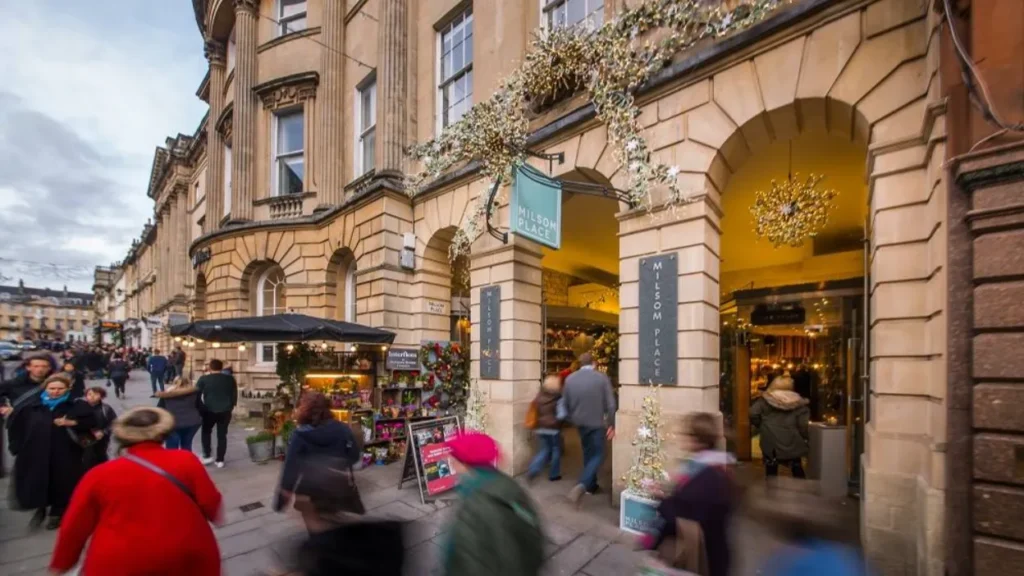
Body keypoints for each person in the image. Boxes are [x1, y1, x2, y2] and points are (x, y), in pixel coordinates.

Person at [48, 407, 224, 575]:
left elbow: (74, 525)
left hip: (121, 559)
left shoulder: (98, 475)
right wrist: (215, 516)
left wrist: (63, 562)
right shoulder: (185, 460)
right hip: (185, 551)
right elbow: (210, 502)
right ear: (162, 433)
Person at [640, 412, 736, 576]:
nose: (681, 438)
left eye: (685, 434)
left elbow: (679, 511)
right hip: (716, 550)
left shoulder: (704, 474)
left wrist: (661, 499)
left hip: (700, 556)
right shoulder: (718, 464)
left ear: (697, 440)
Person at [441, 432, 544, 576]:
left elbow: (465, 560)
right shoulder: (510, 486)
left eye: (454, 457)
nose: (450, 461)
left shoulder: (474, 502)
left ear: (464, 463)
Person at [6, 373, 97, 530]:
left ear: (68, 388)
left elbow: (92, 422)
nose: (55, 392)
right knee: (37, 481)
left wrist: (72, 422)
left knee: (62, 482)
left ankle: (57, 512)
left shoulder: (76, 405)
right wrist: (16, 446)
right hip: (35, 451)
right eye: (52, 388)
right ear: (45, 388)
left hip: (65, 451)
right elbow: (16, 427)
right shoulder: (31, 406)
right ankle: (40, 508)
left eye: (60, 388)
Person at [273, 392, 363, 532]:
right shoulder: (342, 429)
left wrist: (283, 496)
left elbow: (291, 468)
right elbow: (355, 455)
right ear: (327, 408)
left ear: (304, 411)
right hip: (337, 486)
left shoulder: (300, 435)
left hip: (310, 490)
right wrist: (338, 464)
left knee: (315, 529)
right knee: (334, 520)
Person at [561, 352, 616, 504]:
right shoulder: (601, 378)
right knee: (600, 453)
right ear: (594, 363)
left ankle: (591, 486)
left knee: (587, 451)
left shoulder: (570, 379)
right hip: (597, 422)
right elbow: (611, 404)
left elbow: (564, 404)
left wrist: (572, 418)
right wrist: (612, 424)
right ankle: (583, 484)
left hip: (579, 423)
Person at [750, 373, 810, 478]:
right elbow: (803, 425)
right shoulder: (798, 402)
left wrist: (762, 425)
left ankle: (772, 491)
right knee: (796, 466)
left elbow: (753, 413)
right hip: (792, 439)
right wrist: (805, 437)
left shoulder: (764, 400)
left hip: (770, 439)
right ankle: (802, 490)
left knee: (771, 467)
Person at [196, 358, 238, 468]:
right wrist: (231, 406)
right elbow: (234, 394)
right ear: (222, 367)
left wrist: (201, 408)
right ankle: (220, 459)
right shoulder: (230, 379)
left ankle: (207, 454)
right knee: (222, 435)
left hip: (208, 410)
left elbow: (196, 394)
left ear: (210, 367)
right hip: (225, 410)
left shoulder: (203, 379)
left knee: (206, 432)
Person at [526, 374, 565, 483]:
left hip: (540, 427)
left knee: (544, 449)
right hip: (553, 428)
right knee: (556, 450)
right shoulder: (558, 398)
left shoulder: (539, 396)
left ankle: (533, 469)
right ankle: (554, 474)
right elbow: (562, 414)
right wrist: (558, 420)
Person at [156, 377, 203, 452]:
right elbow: (200, 407)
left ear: (174, 384)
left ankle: (173, 462)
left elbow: (160, 410)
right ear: (188, 384)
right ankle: (186, 461)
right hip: (192, 422)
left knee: (172, 447)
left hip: (172, 424)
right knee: (187, 444)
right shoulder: (194, 393)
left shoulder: (166, 395)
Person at [81, 386, 117, 469]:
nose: (92, 396)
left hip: (101, 439)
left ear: (101, 396)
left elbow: (114, 423)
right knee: (87, 458)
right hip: (85, 438)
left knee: (101, 457)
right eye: (89, 394)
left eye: (96, 394)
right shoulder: (80, 408)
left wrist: (103, 432)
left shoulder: (106, 408)